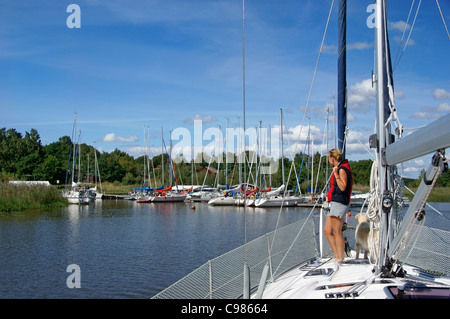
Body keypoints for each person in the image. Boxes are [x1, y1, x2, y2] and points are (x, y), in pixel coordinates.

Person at [324, 149, 353, 263]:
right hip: (334, 202)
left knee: (337, 231)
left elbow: (343, 187)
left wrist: (336, 174)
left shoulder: (342, 170)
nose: (329, 161)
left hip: (340, 203)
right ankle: (337, 255)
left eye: (329, 158)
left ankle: (340, 258)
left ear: (332, 158)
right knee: (327, 230)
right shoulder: (340, 168)